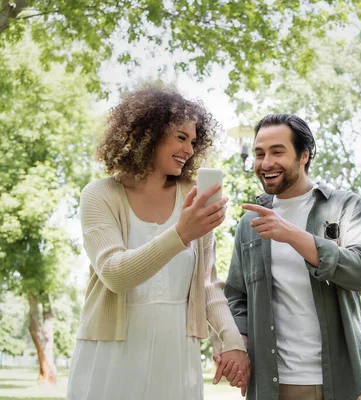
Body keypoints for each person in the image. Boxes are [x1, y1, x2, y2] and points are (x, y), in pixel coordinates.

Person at [67, 85, 250, 400]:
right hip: (111, 352)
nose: (189, 150)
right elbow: (114, 274)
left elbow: (207, 285)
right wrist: (181, 234)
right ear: (147, 134)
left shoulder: (192, 199)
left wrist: (232, 341)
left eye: (193, 141)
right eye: (181, 137)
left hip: (177, 353)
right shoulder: (99, 194)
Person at [221, 113, 361, 399]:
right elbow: (236, 295)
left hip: (340, 381)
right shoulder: (249, 224)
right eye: (259, 154)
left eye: (277, 152)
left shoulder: (346, 207)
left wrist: (292, 235)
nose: (265, 163)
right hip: (271, 385)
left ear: (304, 155)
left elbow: (359, 271)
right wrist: (238, 342)